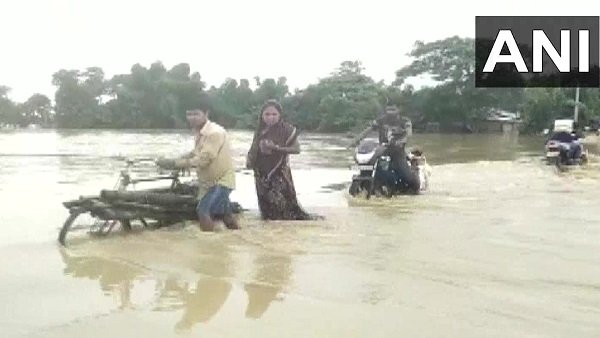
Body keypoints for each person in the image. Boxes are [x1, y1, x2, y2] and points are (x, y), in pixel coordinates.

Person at [157, 103, 239, 231]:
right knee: (225, 215)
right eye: (189, 114)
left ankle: (207, 247)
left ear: (206, 114)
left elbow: (204, 159)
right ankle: (237, 238)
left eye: (196, 113)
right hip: (209, 182)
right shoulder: (201, 132)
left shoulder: (214, 133)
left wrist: (175, 164)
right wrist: (174, 160)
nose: (192, 117)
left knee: (203, 211)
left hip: (221, 181)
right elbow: (195, 153)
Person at [246, 100, 318, 220]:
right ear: (262, 116)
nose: (270, 117)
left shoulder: (287, 130)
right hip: (261, 173)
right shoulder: (260, 129)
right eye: (267, 114)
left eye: (274, 114)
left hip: (279, 173)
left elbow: (296, 149)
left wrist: (277, 148)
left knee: (283, 208)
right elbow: (254, 146)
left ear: (280, 115)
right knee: (266, 211)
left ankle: (284, 233)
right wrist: (250, 159)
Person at [350, 104, 420, 192]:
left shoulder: (405, 121)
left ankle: (414, 176)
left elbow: (409, 134)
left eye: (393, 109)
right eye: (388, 109)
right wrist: (357, 139)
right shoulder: (381, 120)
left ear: (399, 109)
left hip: (397, 151)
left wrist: (402, 141)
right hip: (382, 150)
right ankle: (372, 182)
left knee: (407, 178)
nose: (390, 112)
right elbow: (369, 129)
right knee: (369, 165)